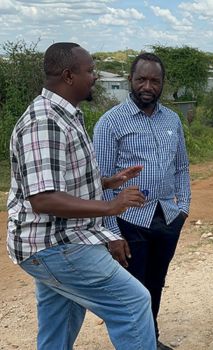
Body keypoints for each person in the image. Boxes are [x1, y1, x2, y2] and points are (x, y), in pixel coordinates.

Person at [7, 42, 156, 350]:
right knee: (133, 303)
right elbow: (44, 198)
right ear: (68, 76)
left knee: (59, 324)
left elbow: (61, 181)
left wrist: (106, 181)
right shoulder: (44, 121)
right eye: (89, 71)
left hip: (58, 242)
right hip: (53, 244)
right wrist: (111, 206)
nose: (95, 77)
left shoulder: (66, 116)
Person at [93, 52, 191, 350]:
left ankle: (151, 339)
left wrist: (183, 207)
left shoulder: (171, 119)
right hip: (129, 222)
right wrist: (111, 233)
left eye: (154, 80)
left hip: (167, 216)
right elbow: (102, 181)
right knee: (133, 290)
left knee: (156, 283)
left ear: (162, 84)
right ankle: (139, 343)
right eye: (141, 79)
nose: (147, 86)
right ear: (130, 81)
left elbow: (182, 166)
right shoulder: (110, 124)